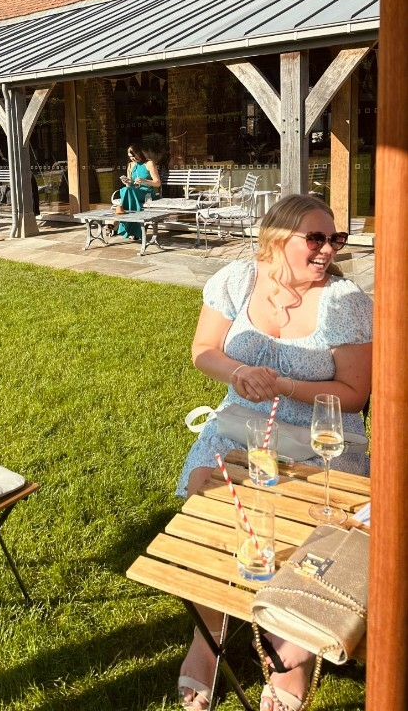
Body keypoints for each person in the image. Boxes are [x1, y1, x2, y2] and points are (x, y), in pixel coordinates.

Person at [175, 194, 372, 711]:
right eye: (316, 238)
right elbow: (203, 351)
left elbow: (354, 393)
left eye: (337, 239)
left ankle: (294, 650)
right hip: (242, 423)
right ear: (276, 241)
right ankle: (209, 636)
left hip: (322, 435)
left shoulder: (346, 302)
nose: (329, 249)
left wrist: (282, 383)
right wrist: (238, 373)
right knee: (209, 493)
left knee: (317, 524)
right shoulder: (235, 282)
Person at [113, 143, 161, 240]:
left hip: (147, 193)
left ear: (139, 153)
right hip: (134, 192)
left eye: (133, 156)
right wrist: (127, 182)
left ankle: (116, 222)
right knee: (126, 190)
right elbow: (130, 186)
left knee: (126, 192)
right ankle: (133, 230)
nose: (132, 159)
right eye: (130, 157)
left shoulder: (149, 164)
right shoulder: (131, 165)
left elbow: (157, 183)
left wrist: (144, 180)